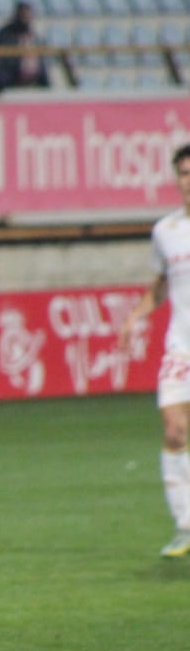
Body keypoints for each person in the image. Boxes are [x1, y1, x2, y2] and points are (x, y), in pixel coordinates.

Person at [115, 143, 190, 558]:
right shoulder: (166, 231)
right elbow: (161, 284)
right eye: (183, 173)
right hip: (181, 349)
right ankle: (185, 524)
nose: (189, 181)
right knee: (174, 430)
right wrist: (135, 316)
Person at [0, 0, 50, 94]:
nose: (26, 19)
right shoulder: (3, 36)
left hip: (33, 82)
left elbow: (41, 65)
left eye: (28, 16)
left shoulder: (34, 37)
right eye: (23, 16)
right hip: (9, 82)